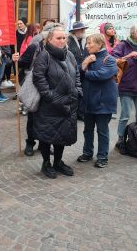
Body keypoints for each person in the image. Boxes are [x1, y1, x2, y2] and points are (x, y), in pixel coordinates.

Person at [32, 26, 81, 179]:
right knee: (48, 134)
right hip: (50, 104)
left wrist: (78, 90)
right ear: (50, 39)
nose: (62, 41)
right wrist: (51, 97)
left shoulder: (70, 55)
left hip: (69, 103)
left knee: (63, 134)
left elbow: (77, 74)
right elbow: (39, 78)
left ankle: (58, 161)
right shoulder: (44, 55)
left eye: (64, 38)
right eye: (58, 38)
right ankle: (46, 163)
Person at [12, 22, 60, 156]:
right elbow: (21, 62)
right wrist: (16, 59)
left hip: (52, 88)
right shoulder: (35, 47)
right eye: (57, 37)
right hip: (35, 88)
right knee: (33, 118)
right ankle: (30, 143)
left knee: (48, 119)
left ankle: (44, 144)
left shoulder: (61, 50)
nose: (61, 40)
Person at [78, 34, 118, 168]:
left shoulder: (110, 59)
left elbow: (102, 75)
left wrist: (86, 72)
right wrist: (85, 63)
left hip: (103, 102)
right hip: (89, 100)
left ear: (100, 44)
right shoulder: (89, 58)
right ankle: (87, 153)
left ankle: (102, 157)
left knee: (102, 131)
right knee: (87, 130)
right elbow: (78, 73)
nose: (87, 45)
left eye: (90, 43)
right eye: (87, 43)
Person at [67, 21, 89, 120]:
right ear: (75, 31)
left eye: (83, 29)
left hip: (84, 71)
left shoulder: (85, 41)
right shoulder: (69, 41)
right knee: (75, 93)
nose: (82, 31)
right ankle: (75, 113)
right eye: (80, 29)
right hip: (73, 70)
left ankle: (81, 113)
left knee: (83, 92)